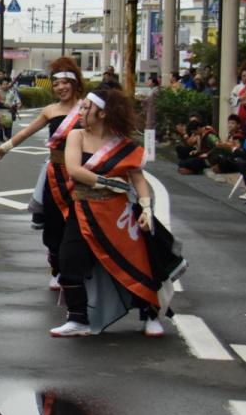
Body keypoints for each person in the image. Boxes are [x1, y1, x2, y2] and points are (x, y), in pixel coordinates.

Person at [52, 87, 183, 337]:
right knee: (69, 259)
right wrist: (109, 182)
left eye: (85, 108)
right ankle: (78, 318)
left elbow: (139, 179)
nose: (80, 112)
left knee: (138, 264)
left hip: (118, 213)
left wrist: (145, 207)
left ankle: (151, 315)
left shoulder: (123, 144)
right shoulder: (76, 136)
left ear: (101, 113)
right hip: (83, 209)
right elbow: (74, 170)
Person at [0, 57, 86, 290]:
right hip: (55, 175)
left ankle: (76, 269)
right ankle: (56, 268)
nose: (60, 88)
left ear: (75, 84)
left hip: (81, 176)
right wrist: (5, 148)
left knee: (79, 223)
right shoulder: (50, 110)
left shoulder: (86, 108)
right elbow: (27, 132)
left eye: (65, 82)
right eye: (56, 84)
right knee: (53, 224)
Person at [0, 75, 21, 142]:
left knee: (8, 128)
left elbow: (17, 102)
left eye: (7, 84)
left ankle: (7, 136)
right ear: (1, 85)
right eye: (3, 84)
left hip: (8, 111)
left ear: (9, 84)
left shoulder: (11, 93)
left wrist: (16, 106)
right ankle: (0, 137)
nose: (5, 86)